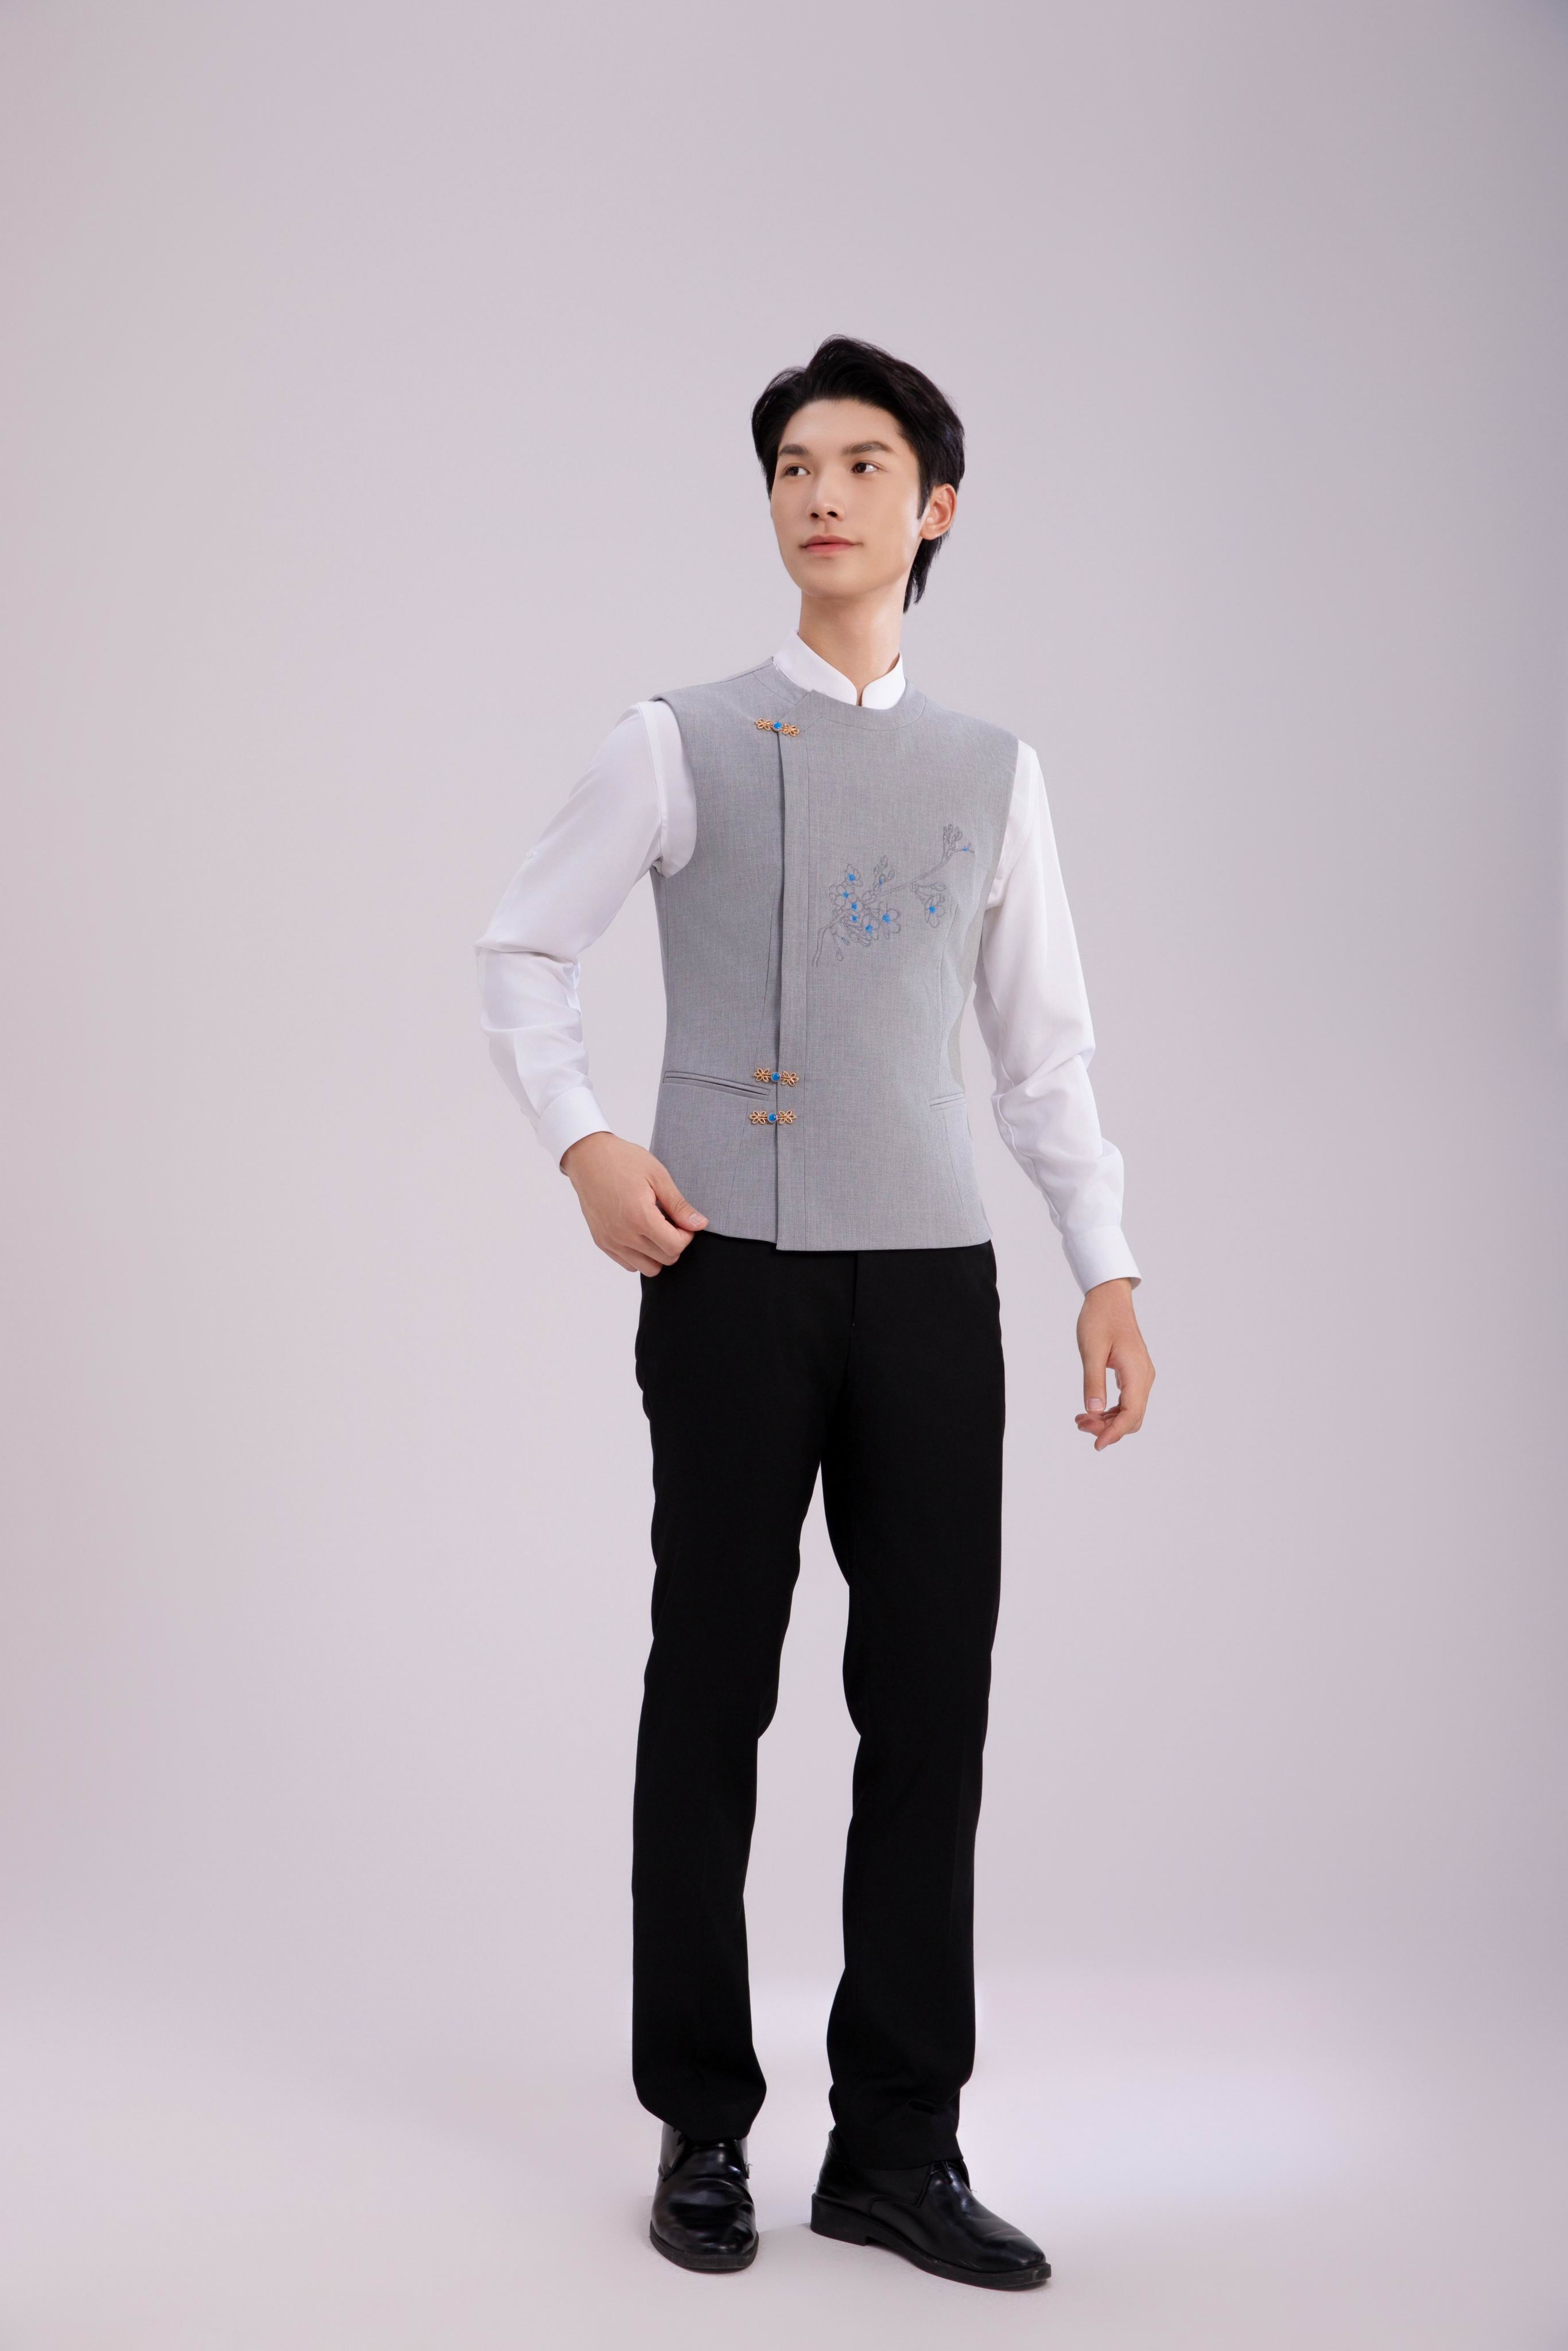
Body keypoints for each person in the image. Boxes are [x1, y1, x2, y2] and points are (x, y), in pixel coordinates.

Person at [475, 335, 1155, 2292]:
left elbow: (1041, 1055)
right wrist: (585, 1142)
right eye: (792, 464)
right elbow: (520, 947)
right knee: (714, 1687)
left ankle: (896, 2147)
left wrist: (1105, 1267)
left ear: (933, 507)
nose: (821, 493)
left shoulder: (991, 774)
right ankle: (700, 2122)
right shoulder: (675, 738)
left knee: (928, 1706)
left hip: (930, 1285)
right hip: (728, 1279)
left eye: (861, 464)